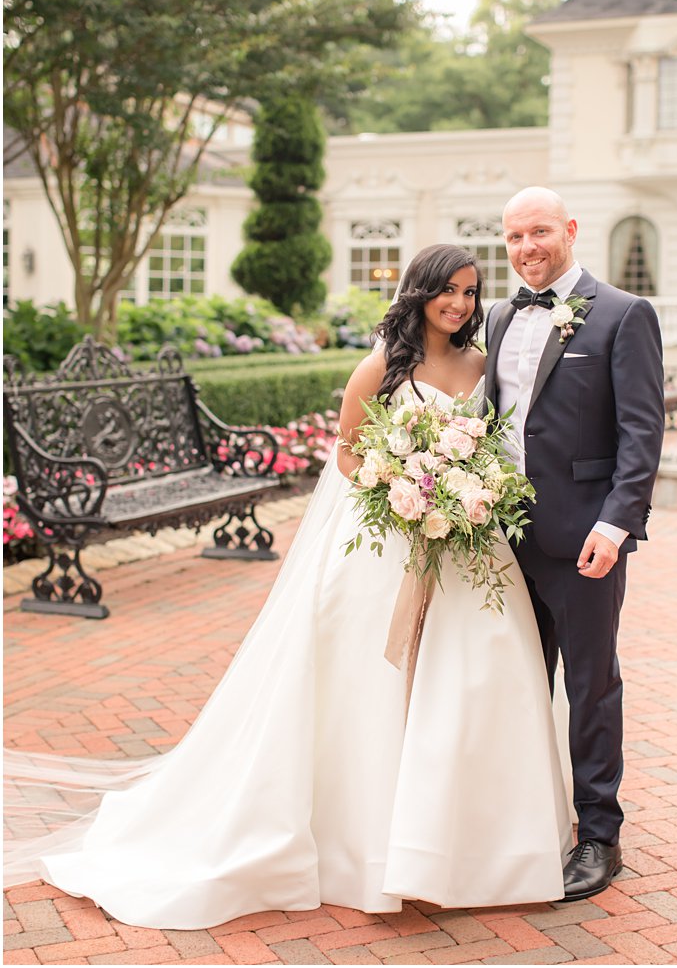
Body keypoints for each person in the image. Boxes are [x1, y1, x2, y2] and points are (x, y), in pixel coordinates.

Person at [3, 244, 571, 928]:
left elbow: (496, 441)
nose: (460, 303)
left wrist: (465, 490)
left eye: (471, 292)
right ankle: (373, 845)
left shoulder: (481, 365)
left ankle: (479, 845)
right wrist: (405, 486)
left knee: (475, 683)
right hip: (393, 542)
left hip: (467, 542)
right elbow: (349, 453)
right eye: (447, 290)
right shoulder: (380, 368)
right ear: (419, 292)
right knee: (373, 693)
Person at [483, 186, 665, 902]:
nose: (527, 247)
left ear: (570, 229)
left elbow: (642, 433)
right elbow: (497, 419)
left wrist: (615, 525)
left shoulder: (623, 313)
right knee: (513, 682)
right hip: (502, 539)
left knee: (590, 689)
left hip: (586, 539)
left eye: (539, 232)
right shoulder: (497, 315)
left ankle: (599, 835)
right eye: (514, 236)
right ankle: (524, 819)